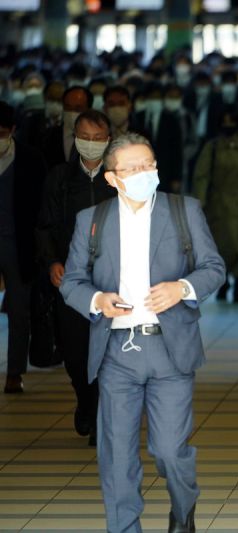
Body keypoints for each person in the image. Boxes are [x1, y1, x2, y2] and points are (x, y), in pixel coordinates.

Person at [60, 132, 226, 533]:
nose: (144, 173)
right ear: (112, 177)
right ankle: (124, 527)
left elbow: (213, 268)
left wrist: (181, 289)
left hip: (170, 350)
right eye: (133, 168)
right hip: (117, 350)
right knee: (116, 455)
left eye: (148, 165)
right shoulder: (92, 220)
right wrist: (97, 300)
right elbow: (71, 282)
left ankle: (183, 508)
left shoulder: (184, 210)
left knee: (170, 450)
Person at [37, 109, 116, 444]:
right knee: (75, 352)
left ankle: (100, 415)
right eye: (86, 137)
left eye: (99, 139)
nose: (92, 144)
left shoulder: (120, 177)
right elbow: (42, 226)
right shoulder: (59, 178)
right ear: (75, 137)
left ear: (109, 140)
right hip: (72, 279)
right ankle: (85, 401)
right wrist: (53, 261)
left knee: (110, 351)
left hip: (113, 280)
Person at [193, 106, 238, 303]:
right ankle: (223, 284)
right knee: (221, 246)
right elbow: (201, 176)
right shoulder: (212, 147)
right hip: (219, 205)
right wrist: (200, 203)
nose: (228, 126)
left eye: (232, 122)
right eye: (225, 122)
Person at [0, 101, 47, 394]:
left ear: (13, 130)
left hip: (19, 244)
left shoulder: (30, 159)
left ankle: (14, 372)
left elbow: (40, 206)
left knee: (19, 310)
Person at [41, 86, 92, 168]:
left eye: (78, 108)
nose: (72, 112)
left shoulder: (97, 138)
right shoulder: (47, 137)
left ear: (89, 109)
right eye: (68, 107)